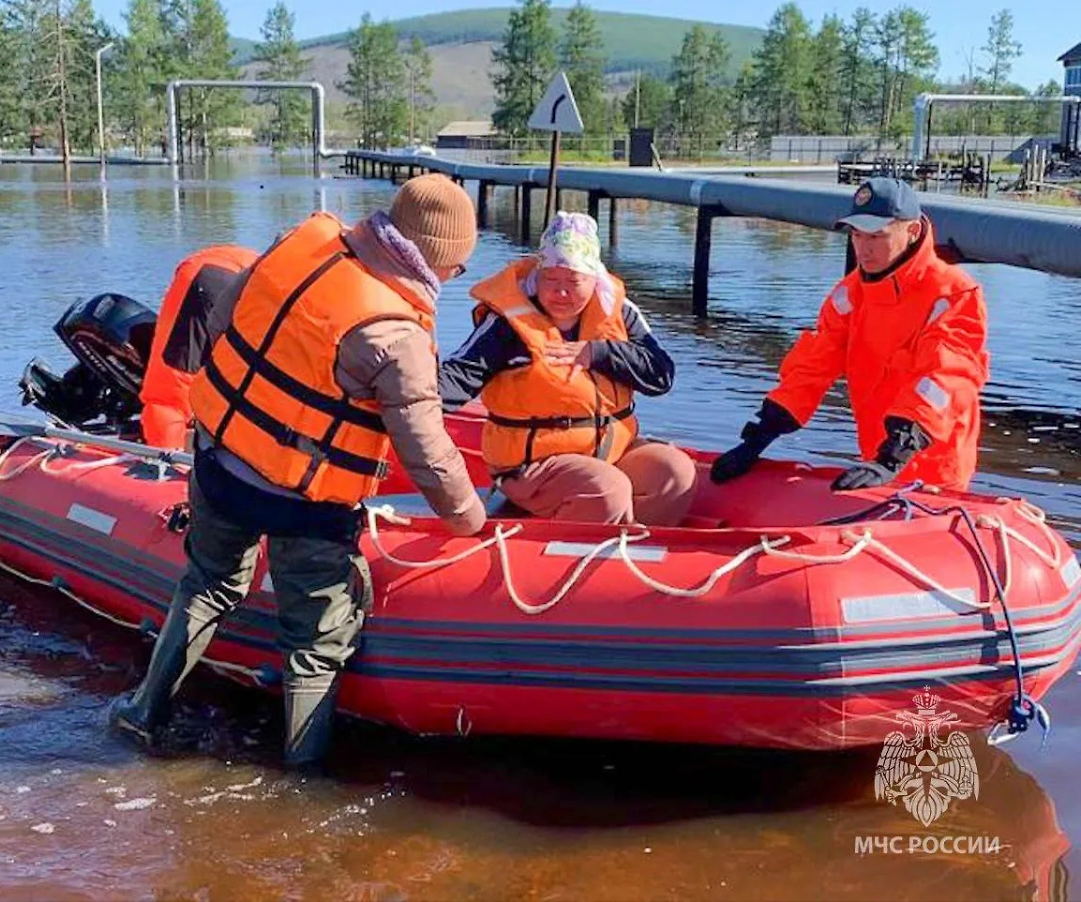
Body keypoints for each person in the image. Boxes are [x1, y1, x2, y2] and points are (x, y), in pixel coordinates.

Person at [110, 174, 488, 766]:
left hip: (220, 457)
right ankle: (303, 775)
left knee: (206, 584)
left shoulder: (301, 243)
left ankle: (142, 712)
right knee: (316, 640)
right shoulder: (398, 333)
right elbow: (426, 449)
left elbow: (228, 318)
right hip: (304, 503)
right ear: (441, 261)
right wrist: (470, 519)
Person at [710, 177, 990, 493]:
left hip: (934, 469)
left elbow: (945, 379)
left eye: (876, 236)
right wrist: (761, 435)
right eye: (857, 235)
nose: (863, 248)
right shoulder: (850, 295)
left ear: (911, 232)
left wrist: (894, 457)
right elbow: (812, 366)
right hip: (875, 459)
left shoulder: (953, 295)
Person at [438, 210, 697, 526]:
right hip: (532, 464)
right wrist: (406, 400)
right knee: (606, 490)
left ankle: (637, 555)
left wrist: (598, 353)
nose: (560, 292)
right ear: (538, 274)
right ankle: (572, 549)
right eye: (550, 279)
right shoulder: (506, 323)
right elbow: (460, 374)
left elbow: (660, 375)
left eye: (573, 282)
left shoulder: (620, 313)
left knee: (675, 473)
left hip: (611, 451)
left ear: (594, 278)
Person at [139, 245, 258, 449]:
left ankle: (172, 458)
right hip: (225, 276)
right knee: (172, 394)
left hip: (228, 274)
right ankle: (171, 458)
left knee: (172, 391)